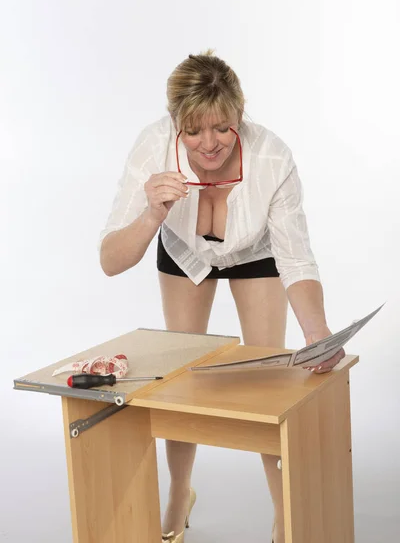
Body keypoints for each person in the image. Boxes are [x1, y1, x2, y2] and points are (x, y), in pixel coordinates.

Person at [98, 50, 345, 543]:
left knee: (267, 380)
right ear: (175, 125)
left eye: (222, 128)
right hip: (184, 250)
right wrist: (152, 214)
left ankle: (285, 517)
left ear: (239, 114)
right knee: (181, 381)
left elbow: (296, 259)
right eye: (193, 131)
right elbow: (109, 260)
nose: (209, 144)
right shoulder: (151, 148)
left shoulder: (272, 157)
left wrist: (317, 333)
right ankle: (178, 496)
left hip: (255, 252)